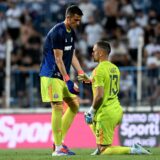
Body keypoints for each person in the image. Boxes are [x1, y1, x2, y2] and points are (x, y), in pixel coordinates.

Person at [78, 41, 151, 155]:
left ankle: (133, 149)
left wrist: (92, 111)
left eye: (94, 51)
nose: (92, 53)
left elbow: (100, 96)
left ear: (101, 53)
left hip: (105, 113)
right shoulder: (114, 68)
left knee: (104, 150)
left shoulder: (98, 70)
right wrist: (90, 79)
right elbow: (106, 82)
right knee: (89, 120)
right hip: (116, 110)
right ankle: (99, 146)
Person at [39, 5, 85, 156]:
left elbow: (71, 55)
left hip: (61, 77)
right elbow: (58, 59)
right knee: (58, 106)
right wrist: (68, 80)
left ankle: (58, 141)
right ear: (68, 17)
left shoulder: (71, 33)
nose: (78, 23)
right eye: (76, 20)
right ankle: (58, 148)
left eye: (79, 20)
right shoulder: (58, 32)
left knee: (74, 105)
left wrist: (80, 72)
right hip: (51, 75)